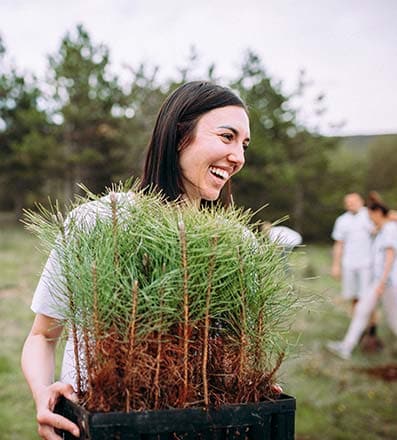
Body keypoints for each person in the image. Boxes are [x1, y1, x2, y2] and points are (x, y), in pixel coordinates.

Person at [21, 81, 251, 439]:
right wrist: (42, 395)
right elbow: (42, 336)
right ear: (178, 136)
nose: (239, 157)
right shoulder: (98, 222)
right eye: (226, 137)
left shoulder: (237, 244)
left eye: (244, 144)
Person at [327, 199, 397, 359]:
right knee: (361, 310)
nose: (370, 219)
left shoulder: (390, 229)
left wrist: (382, 282)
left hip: (388, 283)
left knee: (394, 322)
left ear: (378, 213)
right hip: (379, 281)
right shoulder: (383, 229)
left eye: (372, 215)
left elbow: (390, 256)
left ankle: (347, 346)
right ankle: (346, 347)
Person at [330, 193, 380, 346]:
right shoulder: (342, 220)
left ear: (361, 202)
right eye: (348, 202)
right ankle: (357, 329)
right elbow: (339, 243)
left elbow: (381, 227)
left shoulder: (369, 215)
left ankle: (372, 329)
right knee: (354, 297)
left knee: (367, 298)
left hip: (367, 264)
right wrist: (336, 265)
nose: (351, 204)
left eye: (354, 201)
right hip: (349, 264)